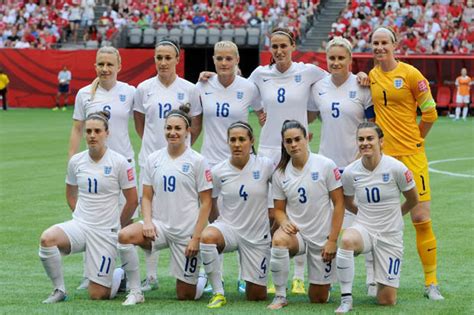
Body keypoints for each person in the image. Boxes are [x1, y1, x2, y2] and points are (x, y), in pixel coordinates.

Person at [368, 26, 444, 300]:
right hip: (384, 159)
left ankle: (431, 283)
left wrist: (417, 140)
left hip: (412, 156)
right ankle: (375, 280)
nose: (379, 47)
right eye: (375, 43)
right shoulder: (370, 77)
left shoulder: (411, 74)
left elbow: (430, 113)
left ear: (394, 44)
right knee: (377, 220)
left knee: (421, 218)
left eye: (384, 42)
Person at [39, 111, 138, 303]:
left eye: (97, 131)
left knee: (97, 295)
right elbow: (70, 193)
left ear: (107, 133)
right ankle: (59, 290)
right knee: (47, 239)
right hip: (81, 226)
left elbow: (133, 200)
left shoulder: (120, 162)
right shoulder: (76, 161)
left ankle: (117, 274)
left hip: (105, 231)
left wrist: (117, 224)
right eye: (89, 131)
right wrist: (79, 215)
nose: (92, 135)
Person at [118, 106, 213, 305]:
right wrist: (148, 222)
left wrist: (196, 238)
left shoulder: (198, 161)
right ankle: (136, 291)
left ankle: (201, 278)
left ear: (188, 131)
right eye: (168, 128)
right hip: (159, 227)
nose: (172, 132)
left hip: (185, 232)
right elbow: (146, 197)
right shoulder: (153, 159)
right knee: (125, 235)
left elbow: (205, 203)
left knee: (185, 295)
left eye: (178, 128)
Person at [194, 41, 264, 294]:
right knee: (213, 218)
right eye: (219, 59)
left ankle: (246, 275)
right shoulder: (202, 86)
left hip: (241, 164)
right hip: (211, 163)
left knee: (245, 219)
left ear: (237, 60)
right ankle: (215, 275)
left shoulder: (248, 87)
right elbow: (195, 122)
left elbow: (263, 116)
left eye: (228, 59)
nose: (224, 63)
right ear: (213, 60)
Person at [134, 38, 202, 292]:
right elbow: (140, 122)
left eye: (167, 58)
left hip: (181, 163)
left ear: (177, 59)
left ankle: (196, 267)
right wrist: (156, 151)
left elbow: (196, 123)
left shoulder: (190, 89)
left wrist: (180, 149)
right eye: (158, 58)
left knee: (185, 211)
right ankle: (150, 276)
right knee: (150, 215)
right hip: (151, 160)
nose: (163, 62)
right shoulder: (143, 88)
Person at [311, 37, 377, 296]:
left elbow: (371, 127)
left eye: (341, 58)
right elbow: (305, 115)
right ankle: (332, 279)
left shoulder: (362, 87)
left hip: (357, 167)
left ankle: (372, 277)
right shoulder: (317, 88)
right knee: (330, 226)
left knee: (365, 220)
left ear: (350, 60)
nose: (336, 62)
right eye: (332, 58)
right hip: (328, 167)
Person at [68, 46, 138, 290]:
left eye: (110, 64)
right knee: (92, 220)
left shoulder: (130, 92)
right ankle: (92, 273)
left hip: (123, 163)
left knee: (126, 220)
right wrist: (72, 159)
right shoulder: (84, 94)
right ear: (95, 66)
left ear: (119, 66)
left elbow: (142, 121)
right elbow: (77, 128)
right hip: (93, 166)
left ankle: (133, 276)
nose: (105, 69)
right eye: (101, 64)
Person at [335, 122, 419, 313]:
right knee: (347, 239)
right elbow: (347, 201)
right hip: (364, 229)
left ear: (381, 141)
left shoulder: (397, 168)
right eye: (361, 139)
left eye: (370, 138)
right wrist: (364, 216)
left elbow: (414, 199)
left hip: (390, 235)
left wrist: (396, 215)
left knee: (386, 300)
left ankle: (379, 282)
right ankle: (346, 299)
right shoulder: (350, 172)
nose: (365, 143)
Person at [267, 120, 345, 310]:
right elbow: (278, 209)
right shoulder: (280, 173)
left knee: (317, 298)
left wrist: (333, 240)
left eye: (297, 139)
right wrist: (283, 221)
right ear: (284, 144)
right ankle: (280, 296)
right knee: (279, 239)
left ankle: (324, 284)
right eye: (288, 141)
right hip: (297, 235)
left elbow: (339, 203)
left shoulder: (325, 165)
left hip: (321, 238)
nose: (293, 145)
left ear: (306, 139)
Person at [200, 121, 273, 308]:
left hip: (257, 236)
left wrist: (273, 226)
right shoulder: (218, 170)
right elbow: (210, 200)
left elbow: (282, 192)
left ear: (251, 141)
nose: (237, 144)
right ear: (228, 142)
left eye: (242, 139)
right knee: (208, 236)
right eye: (233, 140)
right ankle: (218, 292)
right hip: (230, 229)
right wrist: (217, 223)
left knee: (256, 296)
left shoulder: (265, 166)